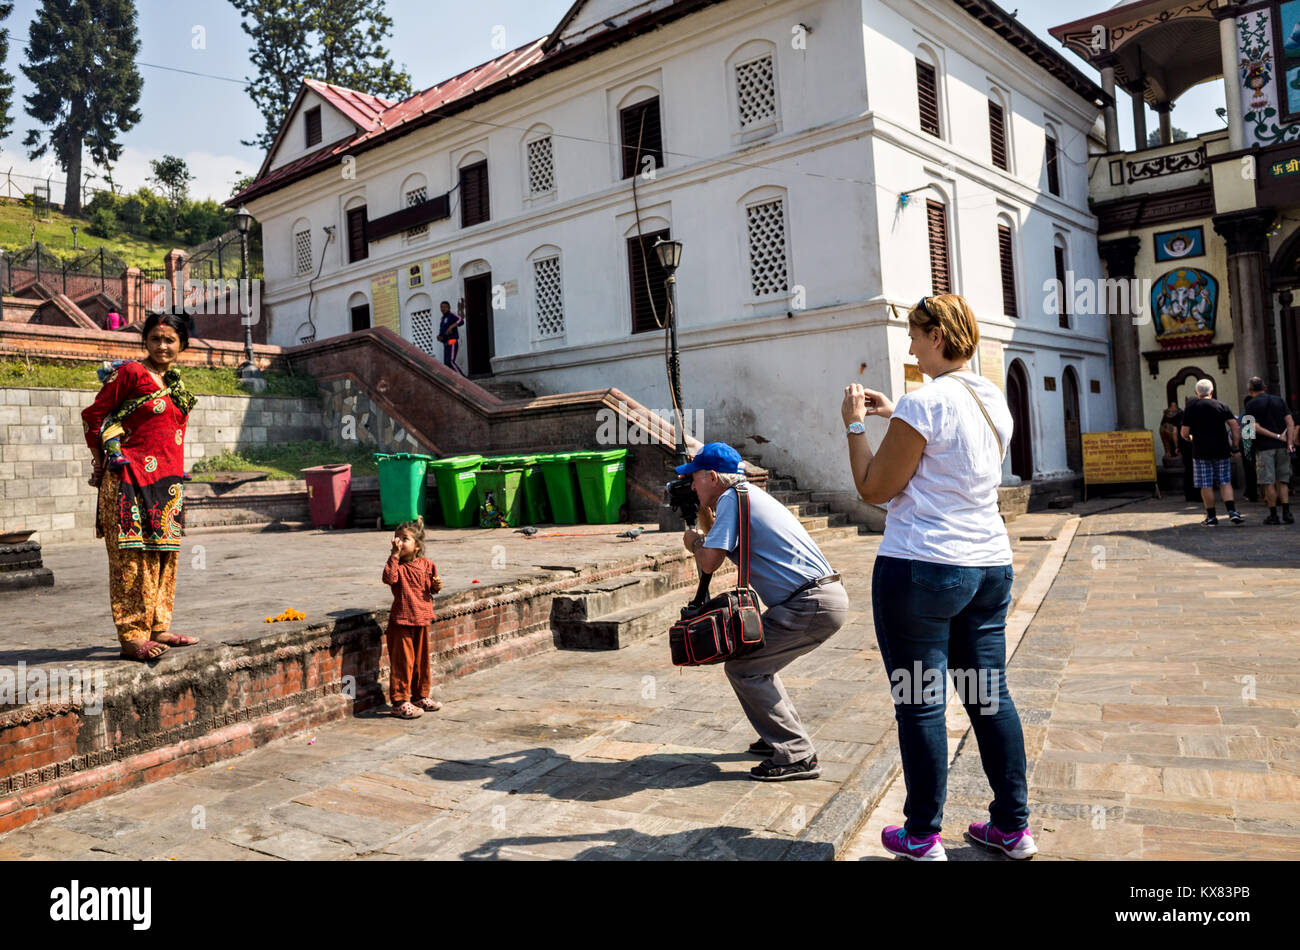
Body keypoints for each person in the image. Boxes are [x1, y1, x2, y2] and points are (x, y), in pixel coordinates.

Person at [842, 293, 1032, 862]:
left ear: (940, 339)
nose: (910, 344)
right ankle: (1012, 828)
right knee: (989, 696)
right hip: (987, 565)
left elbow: (874, 489)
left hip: (921, 566)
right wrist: (893, 410)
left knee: (921, 702)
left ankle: (922, 835)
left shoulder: (923, 405)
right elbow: (951, 440)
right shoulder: (991, 397)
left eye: (917, 336)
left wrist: (856, 427)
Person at [680, 442, 848, 781]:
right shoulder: (744, 495)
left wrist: (693, 542)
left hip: (809, 603)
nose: (691, 485)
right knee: (759, 663)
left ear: (712, 477)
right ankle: (776, 735)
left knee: (745, 667)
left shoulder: (731, 499)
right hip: (818, 598)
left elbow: (710, 561)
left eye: (695, 478)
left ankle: (796, 754)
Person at [81, 312, 201, 661]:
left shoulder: (175, 383)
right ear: (145, 341)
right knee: (132, 560)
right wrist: (100, 461)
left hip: (167, 484)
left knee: (164, 555)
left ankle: (158, 625)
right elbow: (93, 416)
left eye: (170, 340)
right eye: (155, 339)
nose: (162, 346)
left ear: (182, 344)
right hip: (129, 481)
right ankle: (132, 636)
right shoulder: (131, 373)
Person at [383, 517, 444, 719]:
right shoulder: (396, 566)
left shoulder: (427, 565)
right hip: (401, 620)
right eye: (397, 539)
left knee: (421, 662)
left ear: (417, 546)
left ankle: (420, 696)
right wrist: (393, 555)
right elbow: (388, 579)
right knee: (403, 663)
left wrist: (436, 586)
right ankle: (400, 702)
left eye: (405, 539)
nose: (399, 542)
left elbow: (429, 589)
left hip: (422, 618)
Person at [1180, 378, 1244, 526]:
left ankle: (1211, 517)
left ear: (1196, 392)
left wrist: (1190, 438)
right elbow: (1235, 427)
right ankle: (1232, 511)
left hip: (1201, 451)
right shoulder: (1221, 405)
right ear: (1212, 391)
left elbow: (1184, 433)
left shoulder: (1191, 407)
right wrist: (1235, 446)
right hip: (1221, 449)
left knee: (1206, 484)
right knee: (1225, 481)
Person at [1243, 376, 1296, 524]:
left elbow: (1252, 427)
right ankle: (1287, 512)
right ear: (1264, 387)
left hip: (1264, 447)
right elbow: (1290, 422)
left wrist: (1276, 436)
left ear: (1250, 390)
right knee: (1283, 481)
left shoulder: (1251, 404)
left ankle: (1273, 514)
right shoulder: (1278, 400)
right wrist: (1289, 441)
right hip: (1283, 447)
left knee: (1268, 482)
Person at [436, 301, 467, 376]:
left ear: (449, 308)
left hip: (452, 341)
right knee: (446, 364)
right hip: (446, 343)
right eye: (441, 307)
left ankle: (463, 379)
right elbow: (442, 333)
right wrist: (440, 337)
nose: (443, 308)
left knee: (450, 361)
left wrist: (451, 326)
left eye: (445, 307)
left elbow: (461, 320)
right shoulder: (442, 319)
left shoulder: (451, 315)